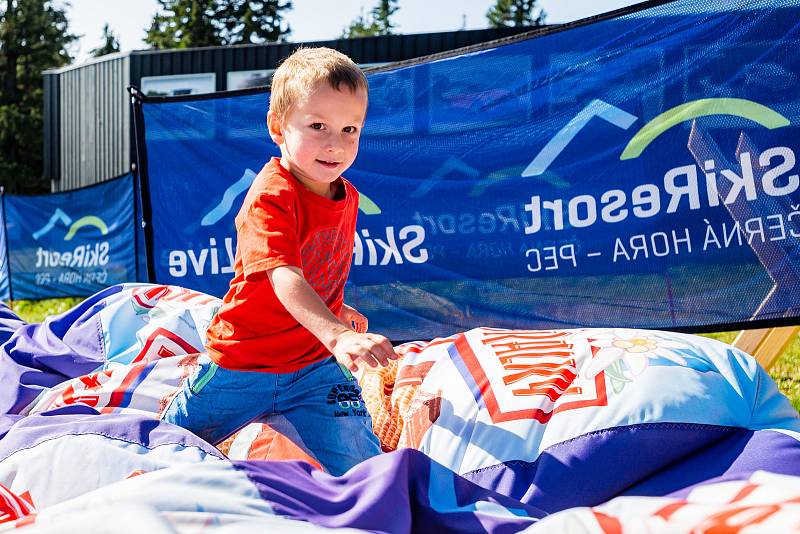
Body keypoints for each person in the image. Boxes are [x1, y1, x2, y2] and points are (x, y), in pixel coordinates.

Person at [161, 47, 397, 476]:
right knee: (164, 454)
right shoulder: (272, 194)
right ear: (277, 127)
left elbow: (315, 271)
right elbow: (283, 275)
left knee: (368, 470)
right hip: (240, 364)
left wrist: (334, 310)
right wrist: (337, 335)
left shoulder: (348, 196)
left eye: (350, 129)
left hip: (313, 370)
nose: (336, 143)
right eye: (317, 126)